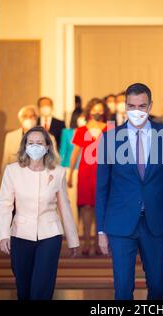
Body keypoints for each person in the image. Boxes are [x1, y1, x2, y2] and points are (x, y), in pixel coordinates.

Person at [96, 83, 163, 300]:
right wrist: (101, 230)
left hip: (156, 222)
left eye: (142, 106)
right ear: (125, 106)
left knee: (158, 283)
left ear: (150, 106)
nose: (137, 111)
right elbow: (102, 188)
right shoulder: (109, 138)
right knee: (123, 288)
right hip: (120, 223)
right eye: (132, 106)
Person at [0, 126, 79, 300]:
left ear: (47, 146)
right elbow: (4, 205)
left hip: (50, 234)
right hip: (20, 234)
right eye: (31, 142)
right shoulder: (12, 170)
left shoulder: (58, 172)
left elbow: (65, 207)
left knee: (42, 287)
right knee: (24, 287)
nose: (35, 146)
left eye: (39, 143)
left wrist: (73, 240)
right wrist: (3, 235)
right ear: (24, 146)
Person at [67, 98, 110, 256]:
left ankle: (100, 242)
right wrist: (70, 174)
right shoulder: (81, 130)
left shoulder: (110, 129)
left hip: (104, 173)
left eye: (100, 110)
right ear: (89, 111)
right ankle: (86, 241)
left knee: (102, 206)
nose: (97, 113)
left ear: (104, 111)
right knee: (86, 207)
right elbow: (75, 153)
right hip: (85, 172)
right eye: (94, 110)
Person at [1, 105, 58, 174]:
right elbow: (5, 161)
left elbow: (55, 159)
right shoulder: (11, 136)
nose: (29, 118)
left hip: (39, 178)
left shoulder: (48, 137)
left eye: (32, 116)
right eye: (25, 116)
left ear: (36, 118)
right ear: (20, 119)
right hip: (16, 177)